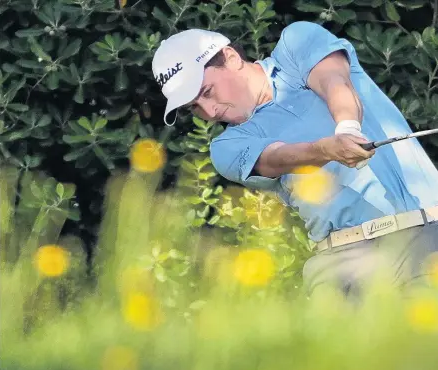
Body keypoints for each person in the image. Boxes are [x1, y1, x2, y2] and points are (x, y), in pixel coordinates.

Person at [152, 21, 438, 296]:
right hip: (341, 264)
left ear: (230, 57)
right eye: (195, 108)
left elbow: (333, 81)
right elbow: (277, 157)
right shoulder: (226, 147)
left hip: (426, 236)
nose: (210, 112)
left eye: (207, 92)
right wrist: (325, 149)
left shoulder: (297, 43)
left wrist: (348, 127)